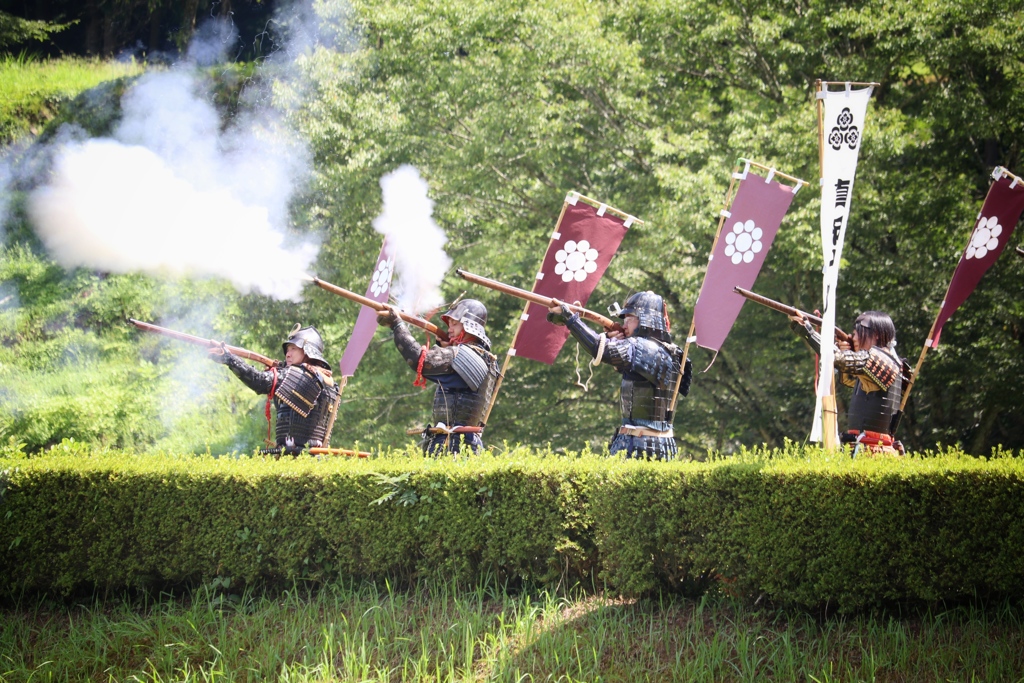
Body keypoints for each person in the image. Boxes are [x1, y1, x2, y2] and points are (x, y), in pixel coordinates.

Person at [548, 291, 691, 459]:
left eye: (630, 319)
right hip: (652, 443)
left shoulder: (643, 347)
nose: (625, 324)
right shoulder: (671, 352)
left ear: (646, 319)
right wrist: (609, 337)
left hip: (640, 445)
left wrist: (570, 319)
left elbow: (601, 349)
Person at [377, 299, 499, 454]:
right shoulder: (484, 357)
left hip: (454, 445)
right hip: (461, 443)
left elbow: (418, 358)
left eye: (454, 323)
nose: (449, 329)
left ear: (469, 326)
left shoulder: (469, 355)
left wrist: (397, 325)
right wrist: (447, 348)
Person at [209, 324, 340, 455]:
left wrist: (229, 359)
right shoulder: (328, 382)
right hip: (313, 456)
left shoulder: (300, 375)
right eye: (288, 349)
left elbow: (259, 381)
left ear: (308, 351)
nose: (288, 354)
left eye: (294, 348)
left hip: (294, 456)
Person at [792, 310, 904, 456]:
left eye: (858, 333)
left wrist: (808, 331)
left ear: (876, 334)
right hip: (863, 448)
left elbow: (838, 359)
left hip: (874, 451)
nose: (854, 337)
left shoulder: (881, 359)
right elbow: (847, 377)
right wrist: (844, 350)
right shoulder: (880, 360)